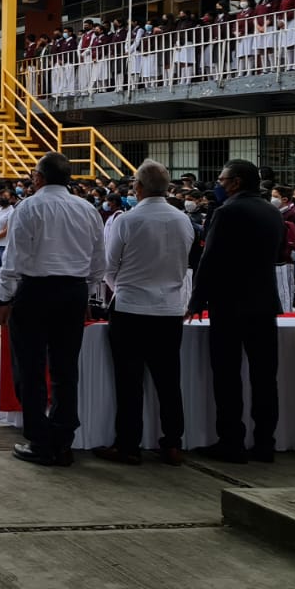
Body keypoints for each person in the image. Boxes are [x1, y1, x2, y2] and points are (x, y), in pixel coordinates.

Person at [0, 152, 105, 467]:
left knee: (30, 368)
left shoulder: (29, 207)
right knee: (65, 368)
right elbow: (99, 264)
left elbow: (13, 260)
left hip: (35, 291)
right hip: (72, 291)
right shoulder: (88, 209)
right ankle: (63, 438)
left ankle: (41, 440)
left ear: (38, 177)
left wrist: (4, 300)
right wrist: (83, 293)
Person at [94, 160, 195, 466]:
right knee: (168, 380)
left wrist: (123, 288)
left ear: (138, 187)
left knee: (129, 381)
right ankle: (173, 443)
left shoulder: (127, 219)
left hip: (131, 308)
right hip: (169, 309)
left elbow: (109, 268)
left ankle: (128, 445)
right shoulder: (182, 220)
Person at [188, 159, 287, 464]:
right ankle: (264, 443)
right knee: (264, 376)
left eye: (222, 178)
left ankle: (231, 440)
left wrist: (197, 300)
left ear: (236, 182)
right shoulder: (273, 211)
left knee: (228, 376)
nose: (218, 183)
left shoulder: (227, 211)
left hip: (229, 303)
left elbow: (210, 258)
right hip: (264, 302)